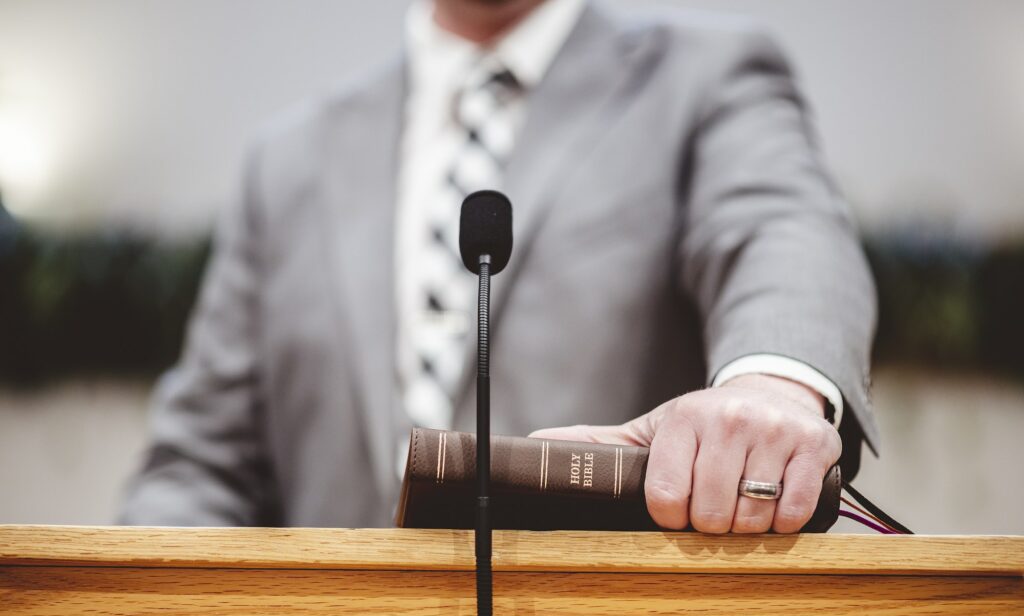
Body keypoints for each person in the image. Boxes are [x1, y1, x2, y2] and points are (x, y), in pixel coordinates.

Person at [120, 0, 878, 534]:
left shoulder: (704, 79)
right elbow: (197, 466)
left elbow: (781, 228)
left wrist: (772, 384)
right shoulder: (287, 161)